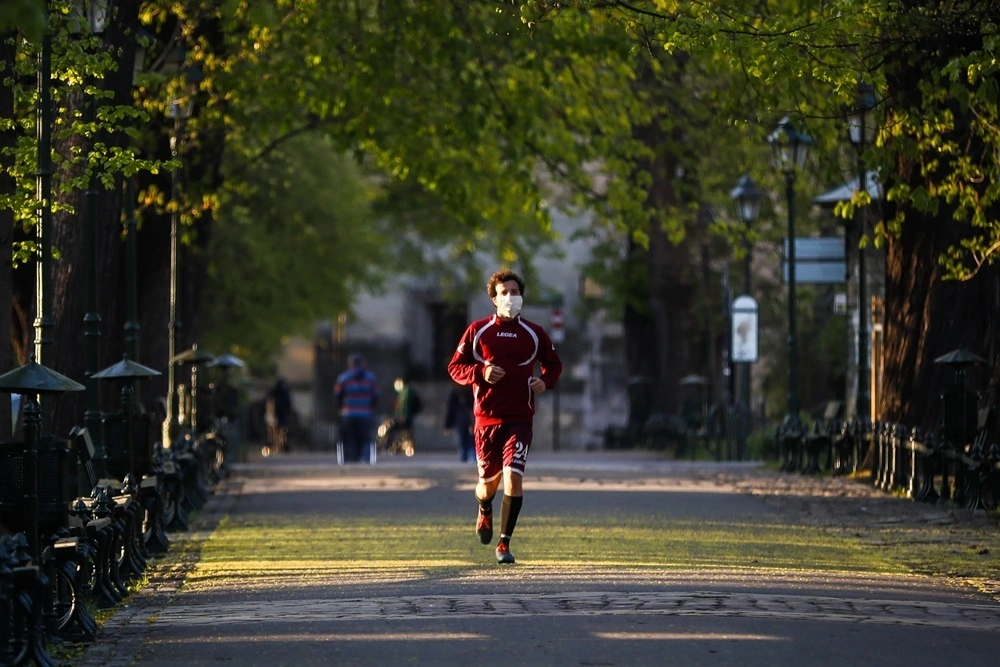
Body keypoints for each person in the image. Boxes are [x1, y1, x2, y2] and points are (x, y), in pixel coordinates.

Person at [447, 269, 562, 564]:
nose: (511, 297)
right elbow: (455, 367)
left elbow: (553, 364)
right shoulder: (478, 331)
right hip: (486, 418)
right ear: (494, 299)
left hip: (520, 418)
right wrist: (480, 372)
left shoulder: (535, 332)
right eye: (505, 293)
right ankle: (484, 508)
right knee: (489, 484)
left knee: (514, 478)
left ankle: (504, 544)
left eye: (515, 292)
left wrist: (544, 381)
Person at [334, 353, 379, 463]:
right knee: (366, 439)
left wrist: (341, 408)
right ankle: (364, 458)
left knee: (349, 438)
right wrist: (369, 406)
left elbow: (337, 395)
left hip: (348, 413)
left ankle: (351, 459)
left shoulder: (343, 378)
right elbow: (376, 395)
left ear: (350, 364)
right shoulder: (371, 379)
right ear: (363, 363)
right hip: (365, 414)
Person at [444, 384, 475, 463]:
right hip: (469, 419)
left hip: (460, 420)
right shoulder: (470, 391)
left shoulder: (456, 391)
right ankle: (471, 456)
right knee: (470, 439)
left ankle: (464, 456)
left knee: (463, 439)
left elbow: (451, 409)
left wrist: (447, 425)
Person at [391, 375, 421, 454]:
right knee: (405, 431)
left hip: (405, 417)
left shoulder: (406, 391)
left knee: (406, 431)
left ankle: (407, 448)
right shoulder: (403, 391)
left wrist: (404, 416)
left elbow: (406, 404)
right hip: (404, 416)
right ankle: (404, 447)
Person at [264, 377, 293, 456]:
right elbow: (288, 405)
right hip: (280, 416)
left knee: (276, 433)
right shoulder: (284, 393)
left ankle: (278, 447)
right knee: (281, 433)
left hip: (277, 416)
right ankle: (279, 447)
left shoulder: (274, 392)